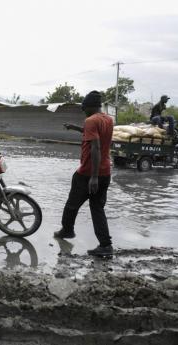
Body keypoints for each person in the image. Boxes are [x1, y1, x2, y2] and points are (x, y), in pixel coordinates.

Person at [54, 90, 114, 257]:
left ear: (89, 107)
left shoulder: (91, 120)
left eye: (84, 108)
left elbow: (95, 147)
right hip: (105, 172)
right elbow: (95, 135)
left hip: (88, 173)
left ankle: (67, 230)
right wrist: (74, 127)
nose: (83, 111)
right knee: (97, 209)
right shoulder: (108, 120)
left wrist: (93, 177)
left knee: (71, 205)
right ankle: (106, 245)